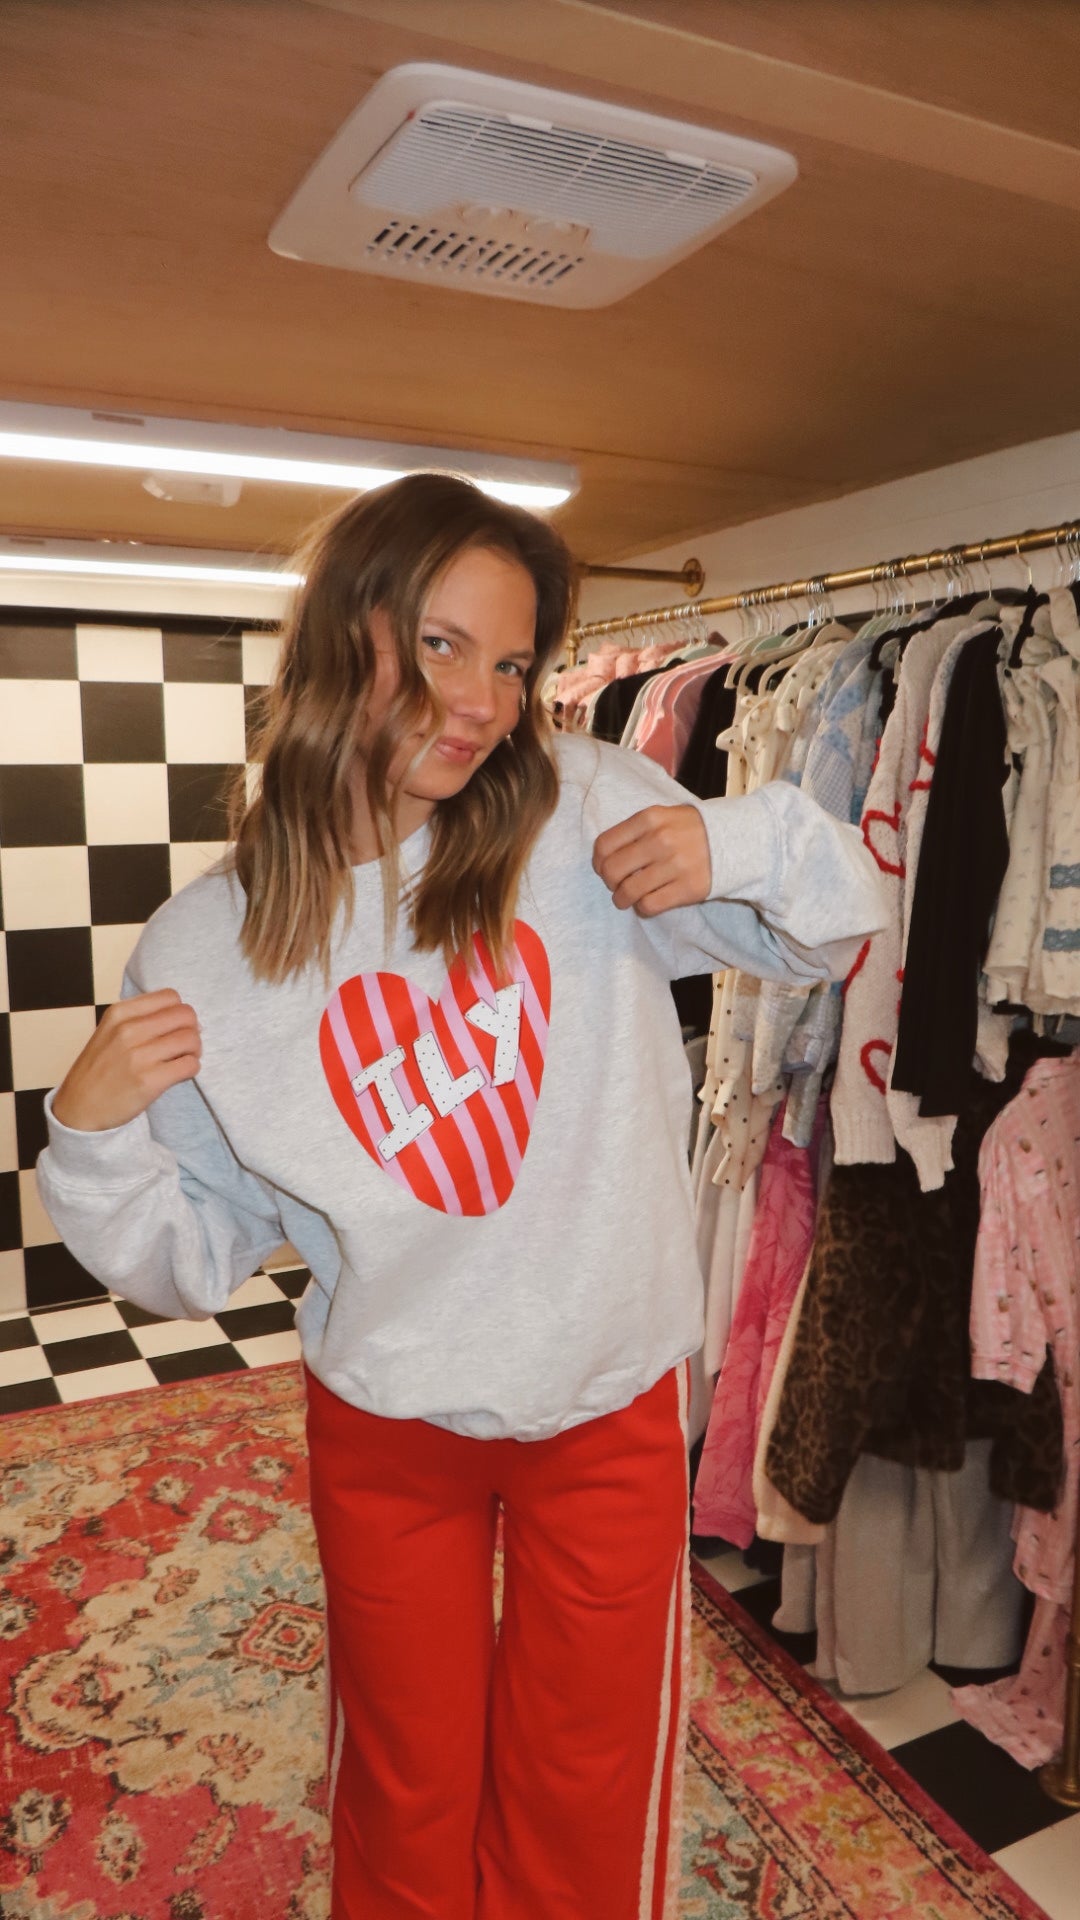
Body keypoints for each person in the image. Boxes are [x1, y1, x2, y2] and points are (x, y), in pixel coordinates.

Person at [38, 472, 883, 1920]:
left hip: (606, 1395)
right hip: (389, 1419)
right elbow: (195, 1256)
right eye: (441, 645)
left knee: (587, 1776)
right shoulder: (202, 950)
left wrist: (743, 842)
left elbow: (827, 939)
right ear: (343, 631)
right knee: (405, 1775)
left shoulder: (585, 806)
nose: (484, 701)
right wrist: (91, 1133)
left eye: (511, 660)